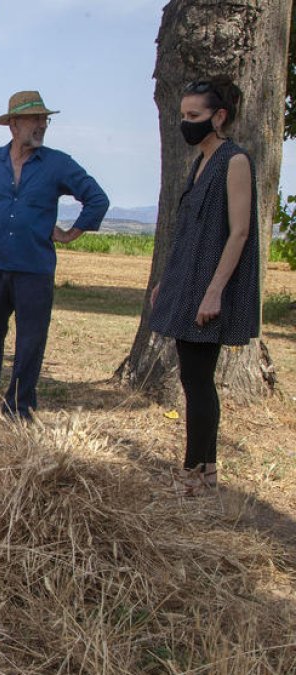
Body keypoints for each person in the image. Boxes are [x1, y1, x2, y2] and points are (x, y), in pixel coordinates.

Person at [0, 91, 109, 419]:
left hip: (35, 269)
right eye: (35, 119)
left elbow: (97, 198)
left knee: (30, 342)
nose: (41, 125)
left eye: (44, 119)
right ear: (13, 124)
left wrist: (71, 233)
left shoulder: (57, 163)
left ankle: (19, 409)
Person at [149, 77, 259, 496]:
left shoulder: (235, 161)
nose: (186, 123)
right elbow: (189, 232)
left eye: (194, 115)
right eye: (183, 115)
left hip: (211, 285)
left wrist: (214, 292)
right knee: (193, 378)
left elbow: (240, 232)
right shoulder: (200, 162)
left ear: (219, 116)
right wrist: (168, 280)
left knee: (197, 380)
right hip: (189, 281)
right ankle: (204, 471)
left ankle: (195, 471)